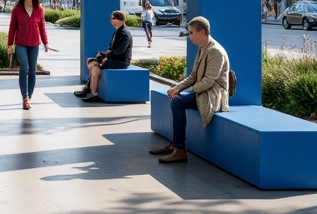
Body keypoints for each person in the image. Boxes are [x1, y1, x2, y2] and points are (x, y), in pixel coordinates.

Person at [150, 16, 230, 163]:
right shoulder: (202, 49)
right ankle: (175, 144)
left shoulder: (215, 51)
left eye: (191, 32)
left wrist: (187, 91)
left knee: (177, 102)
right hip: (203, 91)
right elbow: (193, 76)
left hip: (212, 94)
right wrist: (177, 88)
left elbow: (209, 82)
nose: (189, 35)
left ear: (202, 33)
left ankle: (180, 149)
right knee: (176, 98)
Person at [7, 0, 49, 110]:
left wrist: (46, 42)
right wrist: (10, 44)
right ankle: (24, 97)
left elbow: (42, 27)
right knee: (24, 68)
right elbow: (12, 27)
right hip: (20, 44)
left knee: (32, 70)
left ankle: (29, 95)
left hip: (34, 44)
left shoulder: (39, 9)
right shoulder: (17, 9)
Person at [76, 10, 132, 102]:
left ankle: (94, 93)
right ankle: (89, 89)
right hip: (114, 58)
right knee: (91, 62)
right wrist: (103, 54)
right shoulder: (117, 32)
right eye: (111, 19)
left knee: (94, 66)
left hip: (121, 61)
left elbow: (119, 51)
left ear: (121, 20)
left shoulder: (124, 34)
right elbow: (112, 49)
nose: (112, 21)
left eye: (114, 18)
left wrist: (105, 55)